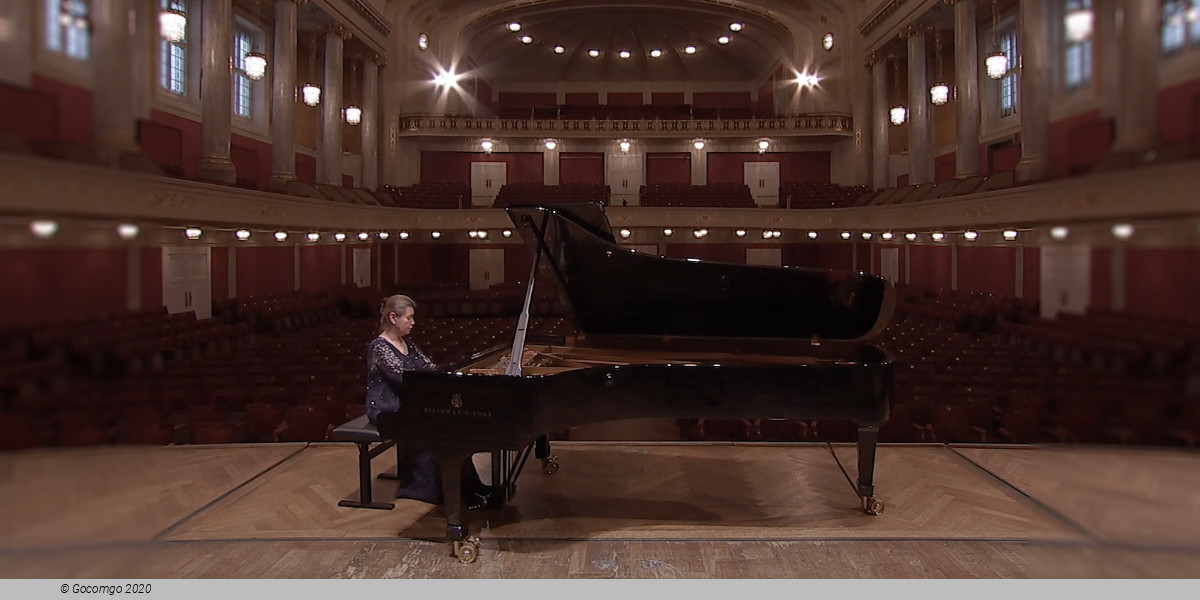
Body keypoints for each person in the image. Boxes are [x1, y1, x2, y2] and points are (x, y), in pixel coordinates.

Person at [366, 294, 491, 507]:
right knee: (434, 427)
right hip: (388, 407)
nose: (413, 323)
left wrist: (451, 374)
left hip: (409, 402)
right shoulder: (379, 347)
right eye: (409, 318)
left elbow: (429, 368)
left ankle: (469, 486)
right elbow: (403, 377)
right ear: (393, 318)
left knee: (453, 424)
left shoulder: (408, 345)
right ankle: (433, 490)